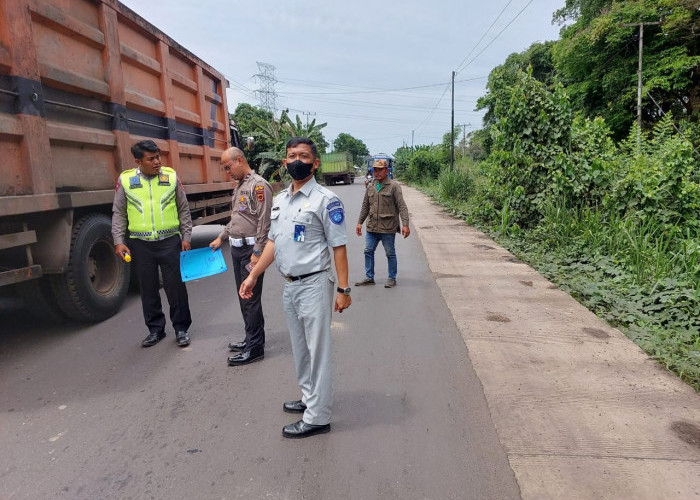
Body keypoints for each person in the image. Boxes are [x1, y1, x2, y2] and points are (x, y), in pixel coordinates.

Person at [239, 137, 351, 439]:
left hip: (314, 284)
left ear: (315, 163)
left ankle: (318, 417)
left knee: (318, 351)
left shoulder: (326, 200)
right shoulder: (281, 200)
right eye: (291, 156)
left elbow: (338, 247)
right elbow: (274, 243)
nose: (297, 160)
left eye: (303, 156)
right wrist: (252, 276)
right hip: (289, 286)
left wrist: (344, 290)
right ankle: (308, 398)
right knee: (301, 350)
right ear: (284, 162)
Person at [112, 139, 193, 347]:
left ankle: (181, 328)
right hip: (141, 244)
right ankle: (156, 329)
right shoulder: (126, 180)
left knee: (175, 288)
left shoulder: (171, 176)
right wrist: (119, 241)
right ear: (138, 161)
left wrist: (186, 237)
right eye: (151, 159)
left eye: (158, 157)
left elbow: (183, 208)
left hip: (169, 242)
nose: (157, 162)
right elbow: (119, 213)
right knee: (148, 289)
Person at [209, 147, 272, 366]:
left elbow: (265, 223)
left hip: (250, 251)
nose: (227, 172)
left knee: (250, 299)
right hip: (237, 249)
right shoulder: (239, 187)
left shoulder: (259, 185)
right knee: (243, 298)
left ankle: (255, 348)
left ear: (239, 160)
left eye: (228, 167)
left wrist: (257, 252)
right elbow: (237, 218)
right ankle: (251, 339)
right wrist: (221, 237)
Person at [355, 158, 410, 288]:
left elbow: (402, 206)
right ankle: (369, 277)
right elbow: (365, 206)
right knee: (368, 251)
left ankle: (392, 278)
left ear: (386, 170)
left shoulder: (394, 186)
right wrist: (359, 222)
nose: (377, 172)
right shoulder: (370, 186)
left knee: (390, 253)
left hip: (388, 227)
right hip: (372, 227)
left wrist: (405, 224)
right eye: (375, 170)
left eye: (380, 170)